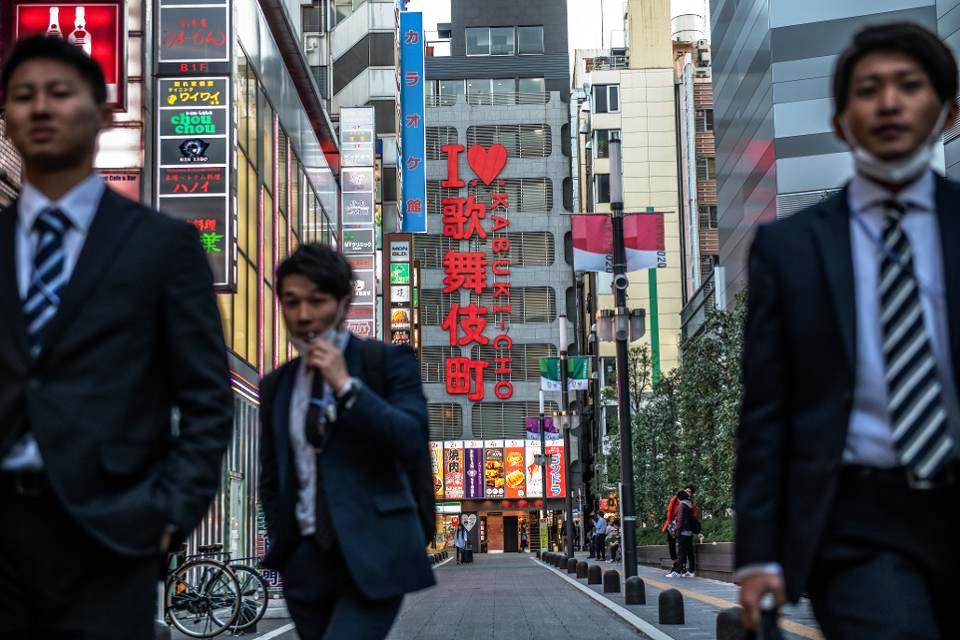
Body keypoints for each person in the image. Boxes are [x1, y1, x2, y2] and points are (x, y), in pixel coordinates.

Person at [0, 35, 234, 638]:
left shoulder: (163, 247)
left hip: (109, 534)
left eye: (59, 93)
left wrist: (167, 517)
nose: (41, 109)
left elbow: (207, 401)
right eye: (24, 96)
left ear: (103, 114)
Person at [735, 22, 960, 638]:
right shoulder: (792, 249)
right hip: (856, 520)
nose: (888, 102)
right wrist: (758, 552)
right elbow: (765, 413)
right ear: (841, 121)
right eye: (868, 89)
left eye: (909, 86)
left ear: (947, 111)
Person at [259, 244, 434, 640]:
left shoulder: (387, 362)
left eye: (316, 301)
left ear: (344, 302)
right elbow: (273, 478)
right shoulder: (277, 386)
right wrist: (284, 544)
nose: (303, 316)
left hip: (373, 554)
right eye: (291, 302)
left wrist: (346, 386)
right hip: (304, 564)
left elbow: (411, 437)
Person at [666, 491, 696, 578]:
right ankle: (691, 571)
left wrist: (676, 531)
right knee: (690, 552)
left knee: (681, 553)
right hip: (689, 532)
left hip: (683, 532)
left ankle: (677, 572)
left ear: (679, 498)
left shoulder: (681, 506)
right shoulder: (690, 505)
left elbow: (680, 520)